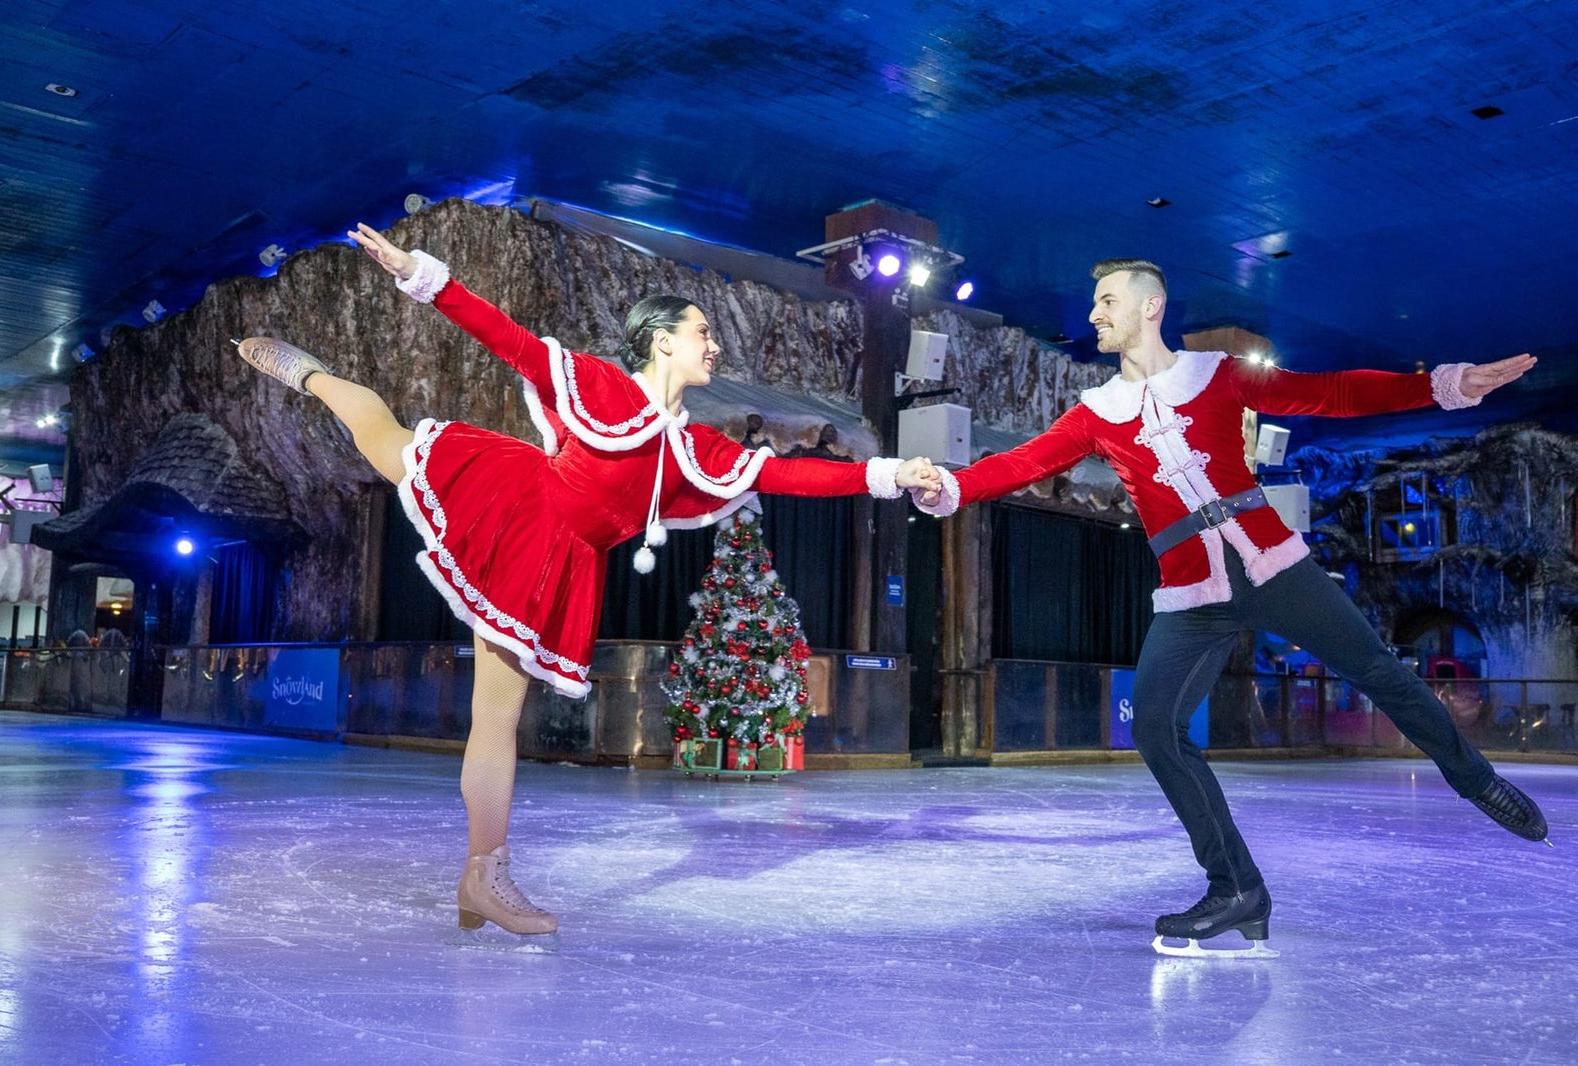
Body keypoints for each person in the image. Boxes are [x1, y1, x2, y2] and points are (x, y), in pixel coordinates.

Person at [236, 222, 940, 937]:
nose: (713, 345)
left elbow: (791, 474)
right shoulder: (598, 385)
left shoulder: (696, 446)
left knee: (496, 720)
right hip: (514, 506)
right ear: (663, 340)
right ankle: (313, 375)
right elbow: (504, 335)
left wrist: (888, 475)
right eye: (702, 332)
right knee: (388, 441)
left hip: (560, 565)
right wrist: (418, 272)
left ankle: (480, 874)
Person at [913, 257, 1547, 953]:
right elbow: (1019, 464)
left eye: (1106, 301)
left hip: (1272, 563)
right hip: (1191, 591)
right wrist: (951, 487)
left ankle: (1477, 781)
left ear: (1150, 307)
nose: (1094, 314)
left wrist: (1440, 384)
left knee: (1378, 671)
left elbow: (1329, 394)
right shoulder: (1097, 414)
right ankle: (1237, 886)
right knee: (1157, 728)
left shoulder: (1216, 373)